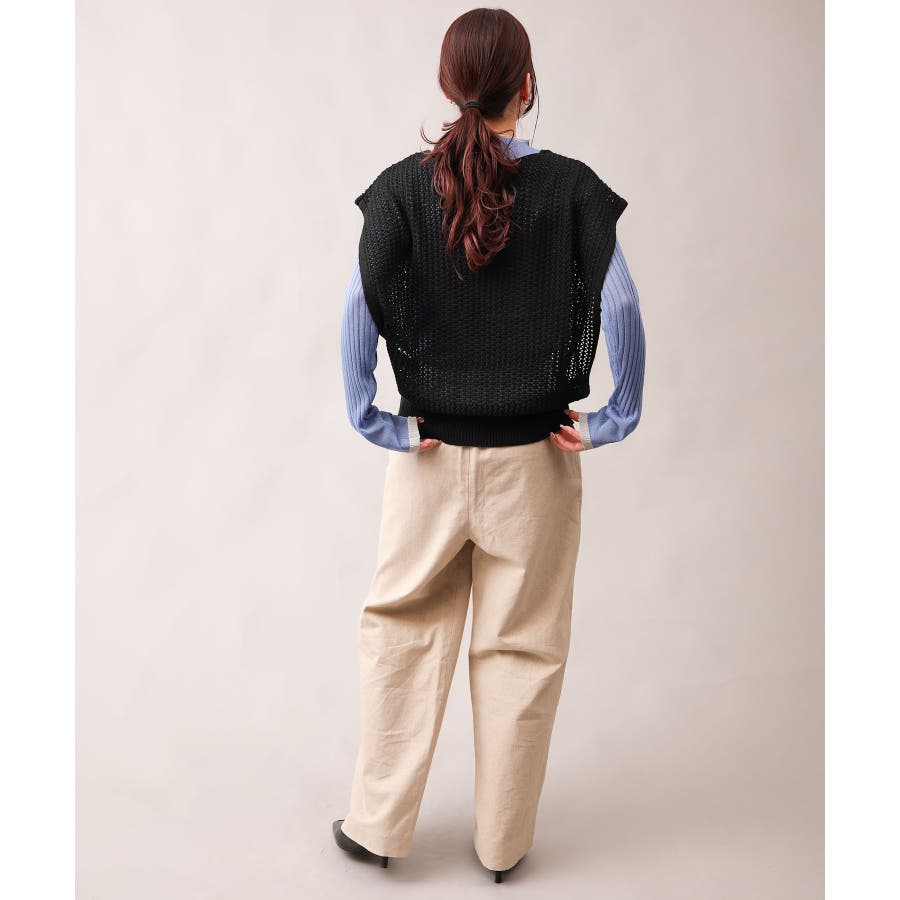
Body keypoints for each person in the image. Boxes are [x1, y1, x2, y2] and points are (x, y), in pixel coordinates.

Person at [333, 7, 646, 883]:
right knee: (522, 650)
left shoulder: (400, 190)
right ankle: (502, 846)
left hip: (427, 460)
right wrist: (614, 418)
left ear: (450, 86)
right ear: (527, 86)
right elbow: (622, 306)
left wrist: (377, 421)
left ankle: (378, 828)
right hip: (536, 465)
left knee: (402, 632)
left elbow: (358, 308)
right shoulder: (574, 189)